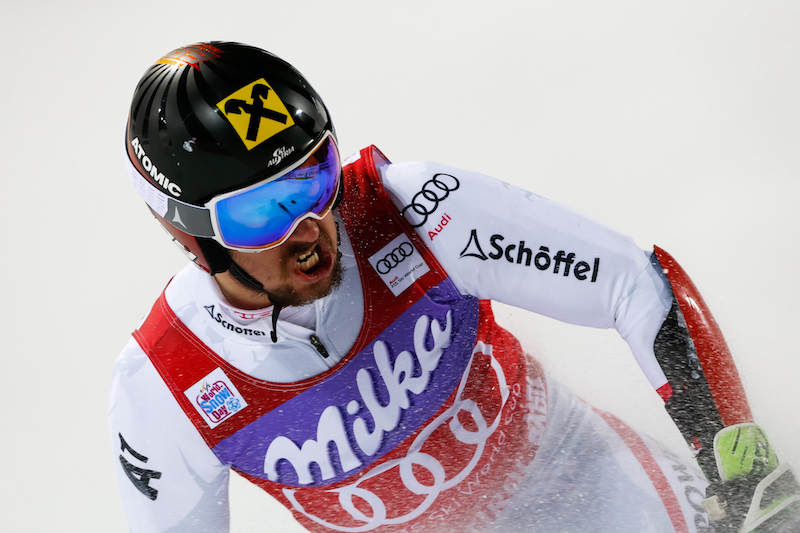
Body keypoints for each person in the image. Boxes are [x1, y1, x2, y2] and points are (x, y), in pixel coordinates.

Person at [109, 42, 799, 533]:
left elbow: (637, 282)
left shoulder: (408, 207)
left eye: (316, 176)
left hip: (583, 476)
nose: (310, 226)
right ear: (185, 230)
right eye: (262, 212)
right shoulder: (162, 384)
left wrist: (740, 465)